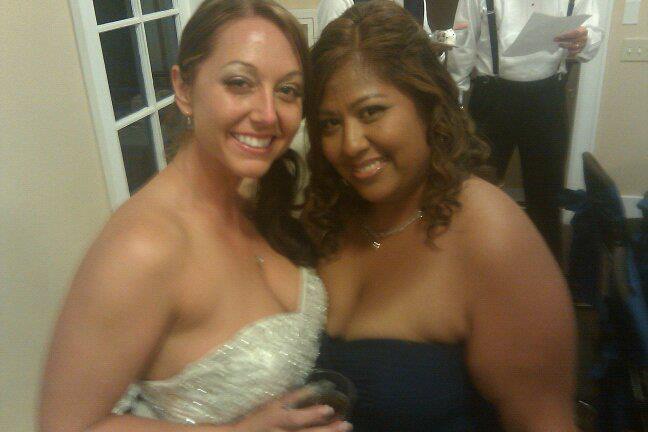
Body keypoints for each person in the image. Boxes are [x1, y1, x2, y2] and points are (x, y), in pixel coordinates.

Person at [39, 1, 352, 431]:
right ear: (184, 89)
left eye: (287, 90)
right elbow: (65, 426)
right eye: (239, 83)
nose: (267, 114)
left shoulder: (253, 199)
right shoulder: (142, 247)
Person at [303, 1, 577, 431]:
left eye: (371, 111)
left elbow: (543, 422)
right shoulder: (330, 217)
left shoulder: (491, 235)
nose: (350, 143)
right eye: (329, 124)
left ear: (426, 104)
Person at [446, 0, 604, 260]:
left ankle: (547, 273)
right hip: (492, 98)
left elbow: (593, 34)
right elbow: (462, 47)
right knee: (476, 190)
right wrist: (454, 107)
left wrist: (585, 41)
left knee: (547, 197)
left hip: (548, 100)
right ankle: (470, 266)